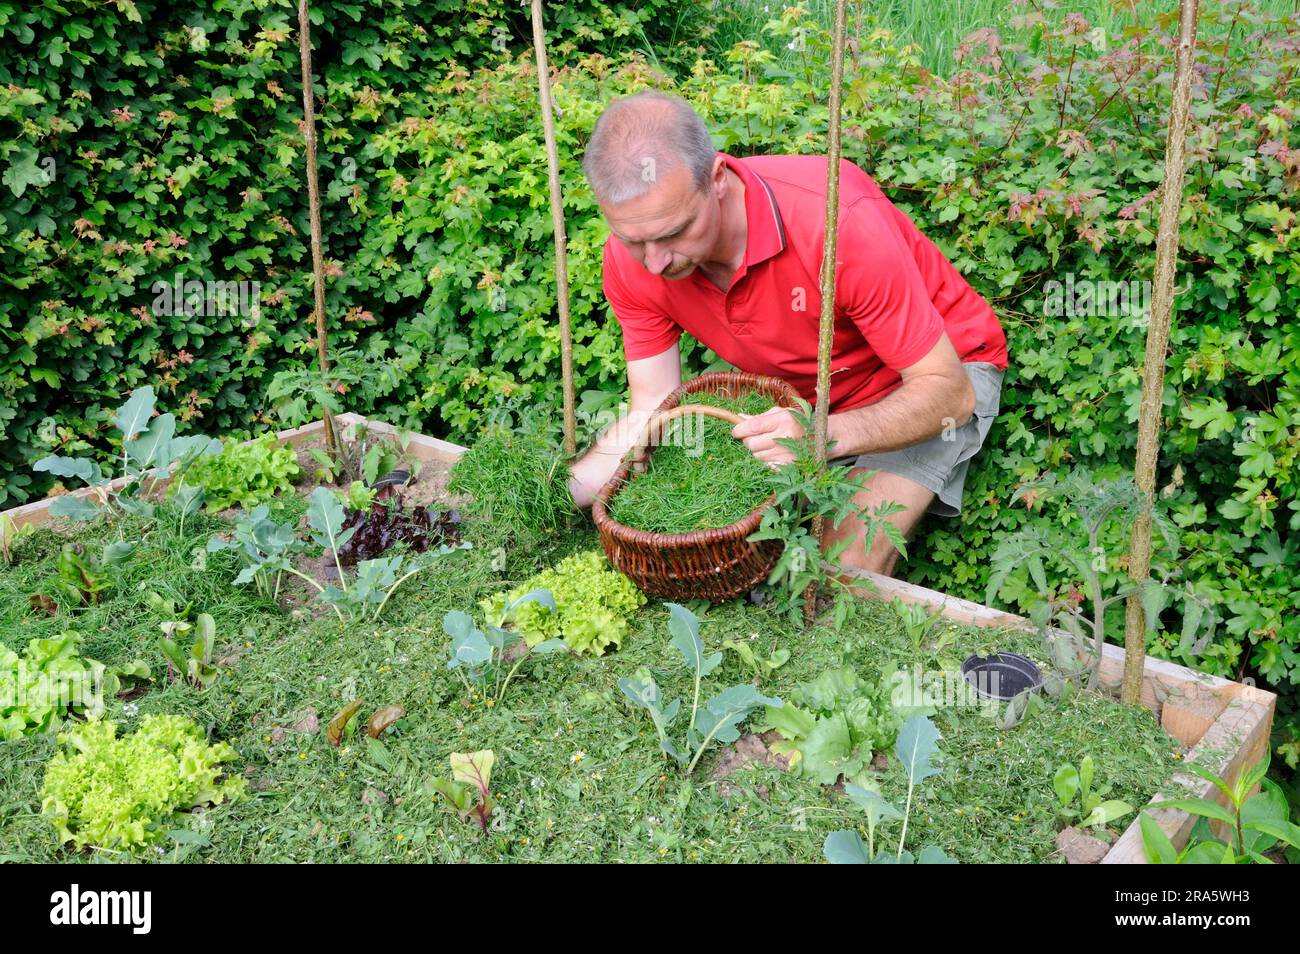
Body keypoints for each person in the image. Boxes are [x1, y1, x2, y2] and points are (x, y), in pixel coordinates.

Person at [567, 91, 1008, 577]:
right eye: (633, 241)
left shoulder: (836, 222)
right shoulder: (636, 261)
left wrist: (819, 437)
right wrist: (561, 488)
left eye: (674, 233)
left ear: (716, 179)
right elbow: (652, 403)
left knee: (838, 570)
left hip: (925, 380)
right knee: (729, 551)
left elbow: (950, 396)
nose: (655, 261)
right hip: (798, 401)